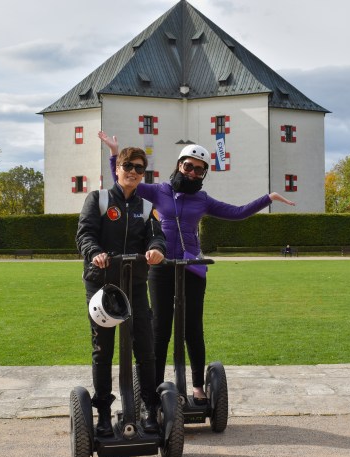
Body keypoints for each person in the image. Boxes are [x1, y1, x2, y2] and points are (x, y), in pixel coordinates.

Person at [98, 131, 294, 404]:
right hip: (161, 265)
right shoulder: (157, 191)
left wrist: (268, 198)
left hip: (192, 267)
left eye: (198, 170)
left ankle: (198, 387)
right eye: (188, 166)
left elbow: (236, 213)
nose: (191, 172)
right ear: (179, 165)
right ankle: (153, 390)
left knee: (192, 328)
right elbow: (124, 181)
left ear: (202, 174)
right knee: (160, 328)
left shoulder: (203, 200)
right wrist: (113, 152)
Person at [76, 146, 166, 436]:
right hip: (102, 284)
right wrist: (95, 252)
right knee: (103, 349)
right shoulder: (98, 199)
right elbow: (85, 233)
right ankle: (102, 412)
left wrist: (155, 250)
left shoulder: (145, 206)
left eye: (140, 168)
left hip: (135, 283)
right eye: (128, 166)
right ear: (117, 168)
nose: (133, 172)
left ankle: (150, 409)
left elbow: (157, 236)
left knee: (145, 347)